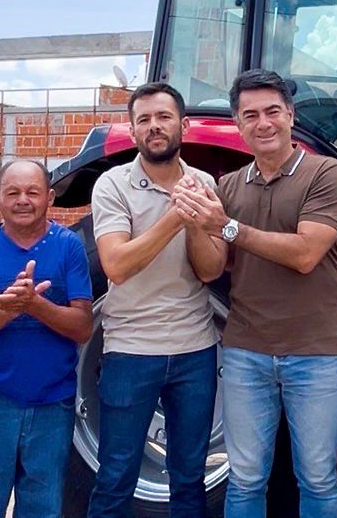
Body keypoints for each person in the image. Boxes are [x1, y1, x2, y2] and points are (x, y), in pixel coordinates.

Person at [172, 69, 337, 518]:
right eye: (250, 114)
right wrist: (195, 222)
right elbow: (213, 267)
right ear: (237, 123)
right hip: (246, 351)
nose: (263, 122)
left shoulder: (326, 173)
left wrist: (225, 226)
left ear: (290, 115)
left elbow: (307, 253)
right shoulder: (229, 186)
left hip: (315, 351)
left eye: (273, 111)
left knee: (317, 476)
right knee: (246, 477)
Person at [86, 82, 225, 518]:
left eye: (163, 117)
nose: (154, 127)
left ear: (182, 125)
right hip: (131, 352)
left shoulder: (204, 183)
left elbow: (210, 270)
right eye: (144, 120)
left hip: (194, 351)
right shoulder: (112, 185)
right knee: (116, 475)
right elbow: (116, 265)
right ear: (132, 131)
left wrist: (196, 223)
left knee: (189, 478)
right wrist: (174, 218)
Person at [0, 159, 93, 518]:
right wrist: (7, 312)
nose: (23, 200)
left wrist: (34, 304)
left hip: (52, 405)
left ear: (50, 197)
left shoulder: (69, 247)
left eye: (32, 192)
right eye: (12, 192)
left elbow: (83, 327)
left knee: (42, 511)